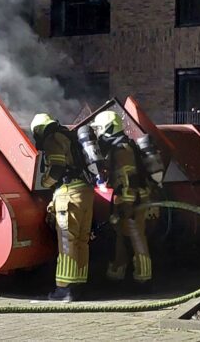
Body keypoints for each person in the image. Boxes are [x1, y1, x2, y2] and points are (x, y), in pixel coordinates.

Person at [30, 113, 94, 302]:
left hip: (68, 194)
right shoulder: (69, 136)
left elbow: (57, 167)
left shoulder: (52, 139)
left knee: (67, 241)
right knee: (82, 241)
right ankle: (78, 286)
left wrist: (45, 181)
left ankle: (64, 289)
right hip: (86, 193)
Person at [89, 110, 153, 285]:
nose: (98, 133)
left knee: (135, 236)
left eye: (100, 129)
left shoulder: (122, 148)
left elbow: (128, 178)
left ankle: (144, 279)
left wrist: (128, 204)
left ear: (108, 128)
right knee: (120, 234)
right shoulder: (121, 145)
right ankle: (118, 272)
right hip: (126, 198)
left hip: (132, 199)